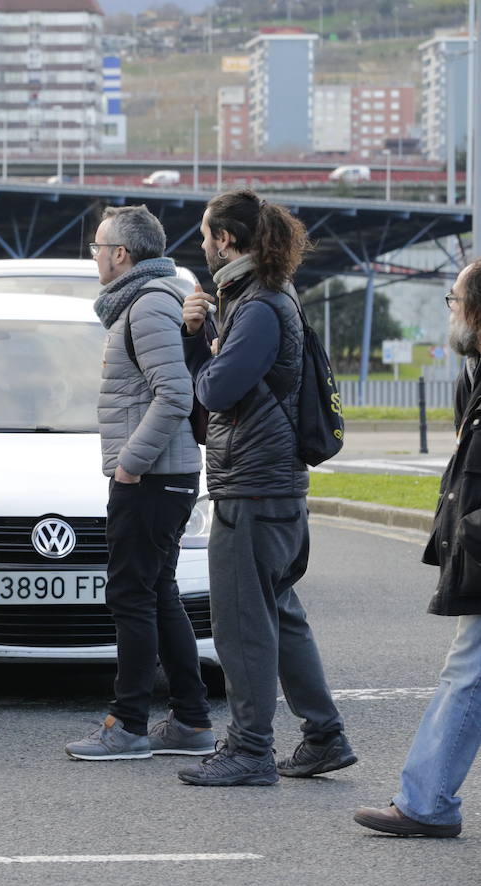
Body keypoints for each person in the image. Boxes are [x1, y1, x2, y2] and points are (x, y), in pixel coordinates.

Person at [177, 188, 356, 787]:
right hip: (269, 484)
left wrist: (203, 349)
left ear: (226, 239)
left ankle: (250, 750)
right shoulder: (262, 298)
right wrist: (206, 339)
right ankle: (324, 736)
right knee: (279, 613)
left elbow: (214, 391)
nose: (202, 245)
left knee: (242, 623)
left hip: (254, 487)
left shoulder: (257, 306)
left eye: (206, 235)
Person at [64, 205, 213, 761]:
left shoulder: (147, 306)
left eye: (98, 249)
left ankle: (127, 725)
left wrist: (130, 463)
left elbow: (174, 392)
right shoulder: (152, 301)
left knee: (131, 595)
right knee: (157, 592)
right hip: (164, 475)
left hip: (151, 477)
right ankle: (192, 722)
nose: (96, 257)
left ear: (121, 255)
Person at [354, 259, 481, 838]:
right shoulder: (472, 375)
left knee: (467, 671)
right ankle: (426, 798)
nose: (448, 310)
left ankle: (426, 801)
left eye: (454, 300)